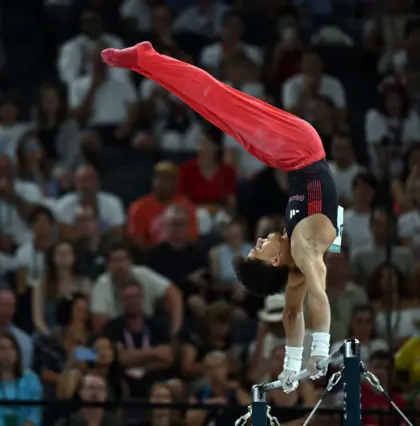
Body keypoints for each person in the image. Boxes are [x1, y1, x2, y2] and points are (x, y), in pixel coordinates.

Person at [101, 41, 343, 393]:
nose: (258, 241)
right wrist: (319, 350)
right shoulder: (306, 249)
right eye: (258, 250)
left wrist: (292, 366)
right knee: (216, 98)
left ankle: (146, 64)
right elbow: (319, 296)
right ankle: (145, 58)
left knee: (211, 109)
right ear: (274, 260)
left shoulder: (294, 271)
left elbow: (293, 315)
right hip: (299, 149)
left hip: (286, 155)